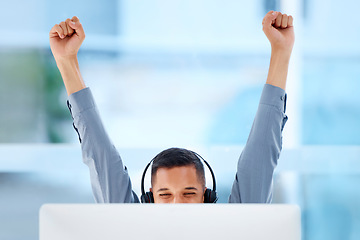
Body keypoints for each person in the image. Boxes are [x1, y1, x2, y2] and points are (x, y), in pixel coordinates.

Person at [49, 10, 294, 204]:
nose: (177, 204)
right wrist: (66, 61)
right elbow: (99, 155)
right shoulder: (131, 228)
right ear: (150, 199)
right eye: (165, 195)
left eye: (188, 194)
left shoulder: (232, 227)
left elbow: (261, 154)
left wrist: (281, 52)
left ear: (205, 198)